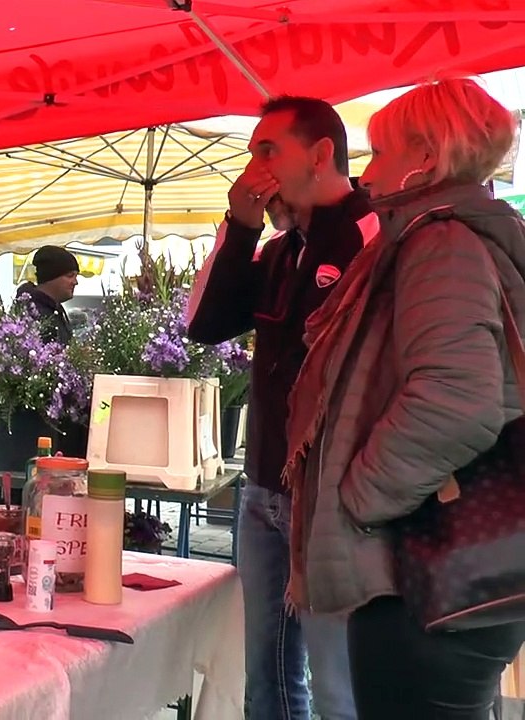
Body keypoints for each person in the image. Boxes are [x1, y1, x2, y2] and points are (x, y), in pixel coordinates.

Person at [283, 77, 525, 719]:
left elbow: (458, 399)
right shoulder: (443, 236)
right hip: (445, 561)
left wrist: (360, 496)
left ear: (425, 155)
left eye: (380, 151)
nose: (366, 172)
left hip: (428, 566)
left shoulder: (439, 244)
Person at [186, 96, 371, 720]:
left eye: (269, 150)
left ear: (320, 155)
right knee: (263, 675)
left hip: (330, 497)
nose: (253, 167)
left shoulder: (370, 234)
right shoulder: (279, 250)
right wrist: (240, 227)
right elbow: (204, 323)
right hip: (264, 486)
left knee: (336, 684)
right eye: (252, 151)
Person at [15, 245, 79, 344]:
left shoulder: (54, 309)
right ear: (51, 277)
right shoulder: (33, 313)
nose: (75, 282)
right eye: (70, 276)